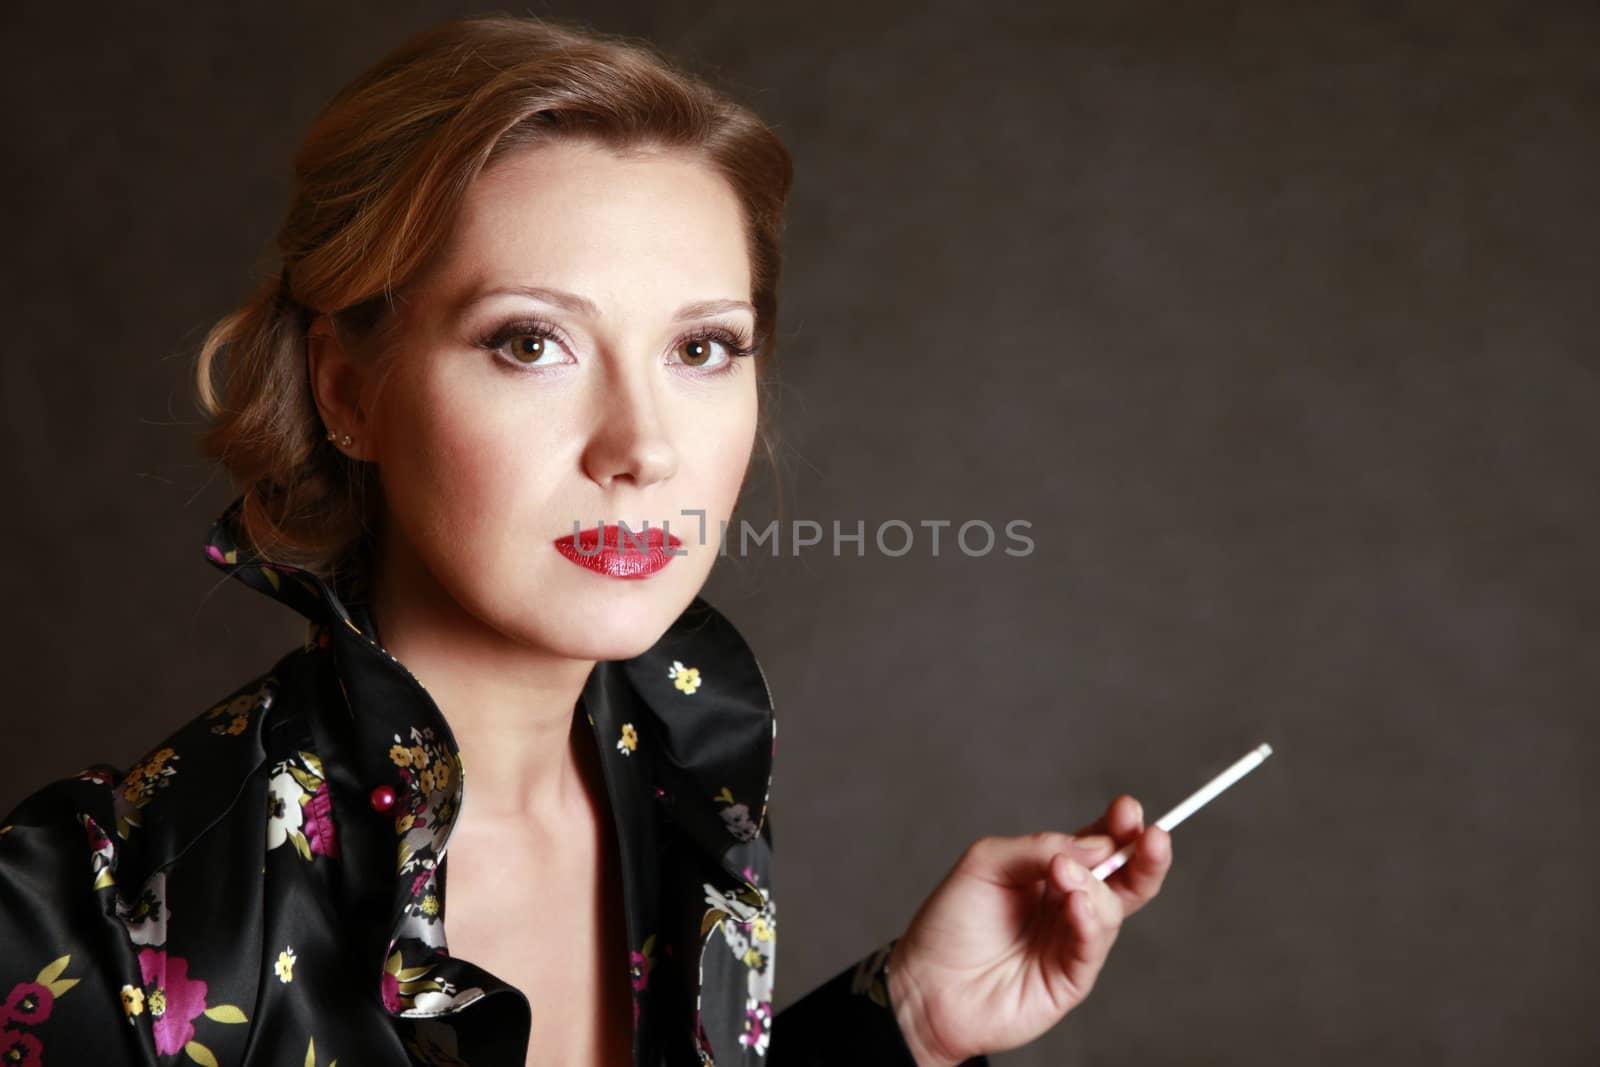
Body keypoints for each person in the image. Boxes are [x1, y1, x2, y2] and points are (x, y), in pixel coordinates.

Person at [0, 14, 1171, 1067]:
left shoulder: (678, 775)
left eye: (702, 348)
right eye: (530, 342)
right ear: (348, 389)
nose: (641, 448)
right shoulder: (85, 914)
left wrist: (905, 1016)